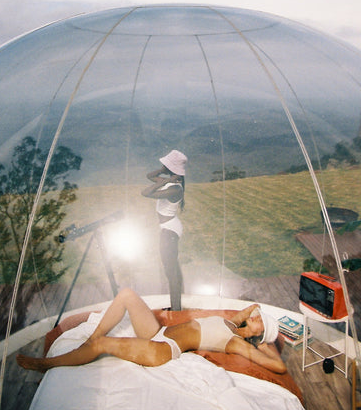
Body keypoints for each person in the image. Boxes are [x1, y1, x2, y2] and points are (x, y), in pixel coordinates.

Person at [17, 287, 286, 374]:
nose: (256, 315)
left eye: (260, 320)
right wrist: (260, 320)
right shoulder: (233, 323)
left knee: (103, 347)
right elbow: (253, 305)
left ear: (258, 334)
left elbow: (279, 368)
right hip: (157, 333)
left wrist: (264, 344)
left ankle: (46, 364)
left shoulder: (236, 343)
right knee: (126, 295)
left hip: (164, 350)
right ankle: (91, 336)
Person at [141, 150, 187, 311]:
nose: (161, 166)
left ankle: (176, 311)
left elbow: (146, 192)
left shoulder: (175, 189)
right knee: (172, 269)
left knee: (171, 272)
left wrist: (163, 178)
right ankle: (177, 307)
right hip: (168, 228)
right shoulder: (170, 182)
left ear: (171, 168)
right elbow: (149, 176)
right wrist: (163, 172)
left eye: (164, 164)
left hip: (170, 230)